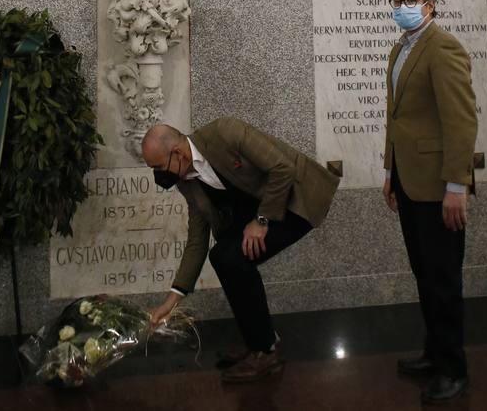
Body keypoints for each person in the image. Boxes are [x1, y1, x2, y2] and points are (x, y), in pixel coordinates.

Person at [141, 118, 339, 383]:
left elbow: (283, 168)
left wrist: (262, 221)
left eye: (158, 166)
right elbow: (197, 241)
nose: (158, 176)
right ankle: (258, 340)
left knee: (232, 259)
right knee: (222, 256)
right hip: (257, 210)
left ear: (177, 152)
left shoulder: (226, 133)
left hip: (295, 198)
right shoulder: (186, 181)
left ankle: (265, 351)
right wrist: (171, 300)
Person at [383, 0, 477, 405]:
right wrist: (391, 172)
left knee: (443, 279)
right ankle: (434, 353)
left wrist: (457, 185)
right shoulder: (400, 49)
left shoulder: (443, 47)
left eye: (411, 0)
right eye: (397, 0)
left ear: (430, 4)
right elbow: (398, 118)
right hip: (409, 182)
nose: (403, 6)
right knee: (424, 274)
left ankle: (454, 369)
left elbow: (461, 120)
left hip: (440, 186)